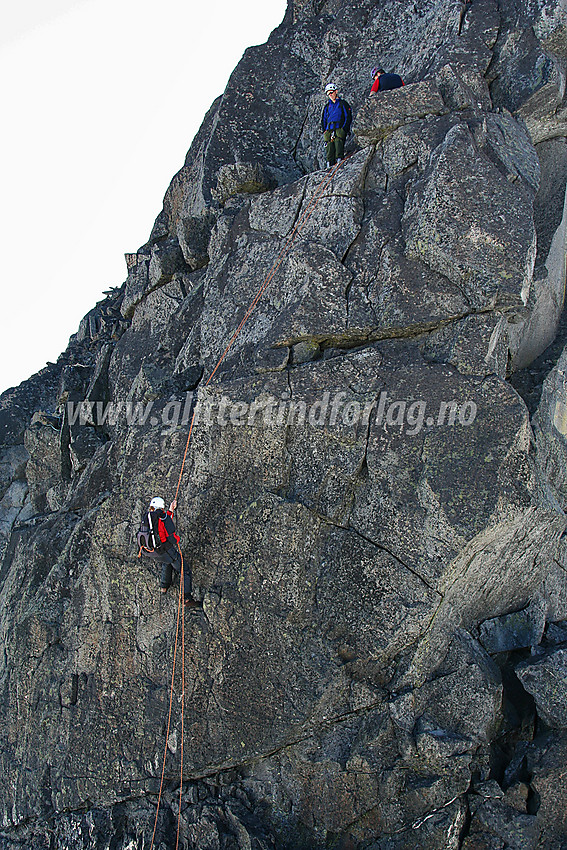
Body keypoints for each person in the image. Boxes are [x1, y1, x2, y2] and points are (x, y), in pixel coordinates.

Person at [141, 496, 200, 607]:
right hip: (164, 550)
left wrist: (171, 510)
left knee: (167, 561)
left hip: (151, 551)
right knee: (185, 570)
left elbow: (163, 522)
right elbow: (172, 538)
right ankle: (187, 598)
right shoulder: (163, 518)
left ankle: (164, 586)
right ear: (162, 507)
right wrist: (178, 539)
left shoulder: (148, 517)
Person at [321, 83, 352, 168]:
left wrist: (344, 129)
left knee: (338, 143)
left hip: (339, 128)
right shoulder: (327, 106)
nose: (330, 95)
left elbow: (348, 116)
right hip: (329, 128)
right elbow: (324, 119)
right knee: (329, 146)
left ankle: (339, 162)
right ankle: (329, 164)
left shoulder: (343, 104)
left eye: (331, 92)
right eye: (328, 93)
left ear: (336, 91)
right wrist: (324, 130)